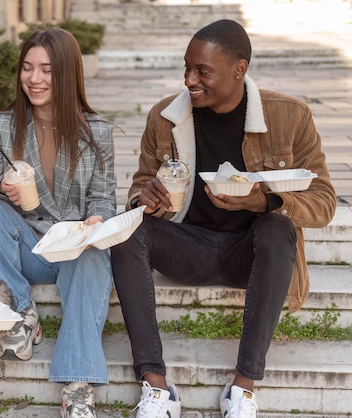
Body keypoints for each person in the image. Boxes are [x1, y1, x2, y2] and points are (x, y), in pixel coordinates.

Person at [110, 19, 336, 418]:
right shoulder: (164, 116)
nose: (189, 80)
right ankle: (156, 386)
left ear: (239, 69)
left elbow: (324, 202)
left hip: (249, 255)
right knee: (128, 230)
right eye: (186, 68)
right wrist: (143, 198)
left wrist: (263, 202)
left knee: (277, 226)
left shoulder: (291, 117)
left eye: (202, 71)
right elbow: (141, 184)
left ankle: (243, 388)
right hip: (187, 248)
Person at [0, 27, 116, 418]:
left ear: (67, 74)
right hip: (24, 246)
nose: (34, 79)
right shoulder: (2, 125)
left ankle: (77, 383)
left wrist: (97, 219)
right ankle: (23, 310)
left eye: (47, 70)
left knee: (96, 253)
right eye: (27, 68)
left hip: (71, 249)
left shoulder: (96, 132)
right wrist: (2, 184)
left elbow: (103, 197)